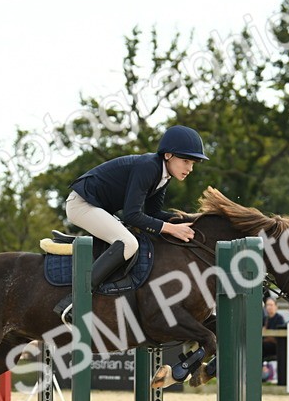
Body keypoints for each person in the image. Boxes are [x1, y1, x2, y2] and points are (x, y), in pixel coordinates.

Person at [52, 124, 207, 322]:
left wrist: (192, 220)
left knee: (132, 239)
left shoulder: (164, 175)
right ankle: (74, 301)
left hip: (96, 207)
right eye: (185, 161)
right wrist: (172, 229)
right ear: (168, 155)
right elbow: (132, 216)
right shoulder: (149, 167)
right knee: (129, 243)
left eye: (193, 163)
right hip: (81, 204)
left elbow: (153, 213)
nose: (190, 168)